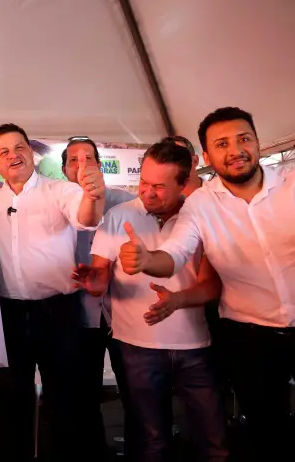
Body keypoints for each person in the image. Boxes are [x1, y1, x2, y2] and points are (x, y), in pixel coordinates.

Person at [119, 107, 295, 460]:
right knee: (266, 430)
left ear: (257, 142)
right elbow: (175, 253)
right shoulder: (201, 203)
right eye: (222, 144)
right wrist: (147, 260)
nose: (236, 150)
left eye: (244, 139)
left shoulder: (290, 182)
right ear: (207, 156)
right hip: (249, 336)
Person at [75, 141, 228, 461]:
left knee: (214, 439)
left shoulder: (200, 216)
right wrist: (93, 281)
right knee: (150, 441)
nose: (147, 192)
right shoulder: (118, 216)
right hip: (136, 347)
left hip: (195, 346)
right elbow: (100, 280)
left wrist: (178, 300)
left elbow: (211, 285)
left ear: (183, 184)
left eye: (159, 186)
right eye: (144, 182)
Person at [0, 123, 105, 460]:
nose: (13, 155)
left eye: (19, 147)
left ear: (30, 152)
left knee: (65, 400)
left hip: (58, 313)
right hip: (7, 314)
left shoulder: (60, 191)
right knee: (12, 399)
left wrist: (94, 195)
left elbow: (87, 218)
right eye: (4, 152)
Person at [60, 137, 136, 458]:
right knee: (83, 393)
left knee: (135, 391)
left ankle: (140, 448)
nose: (82, 166)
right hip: (77, 316)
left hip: (125, 312)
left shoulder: (127, 203)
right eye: (73, 161)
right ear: (64, 170)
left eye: (89, 159)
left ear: (100, 166)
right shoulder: (54, 205)